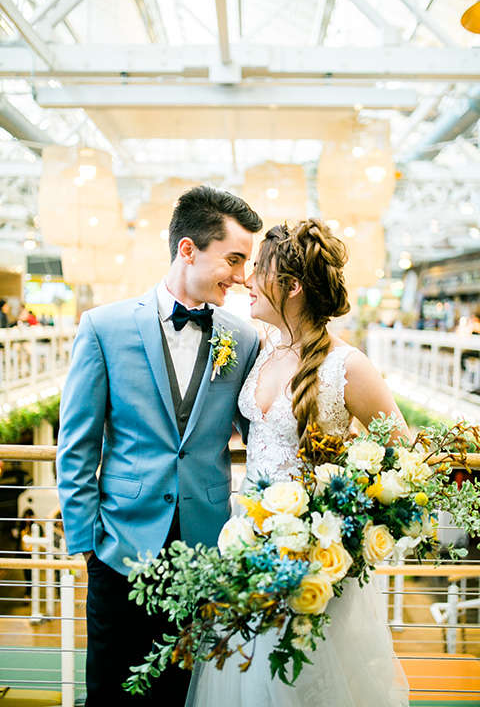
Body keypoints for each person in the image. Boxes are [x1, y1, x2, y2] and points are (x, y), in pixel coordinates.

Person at [187, 218, 410, 707]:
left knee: (299, 681)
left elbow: (405, 459)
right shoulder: (260, 349)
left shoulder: (348, 366)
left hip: (310, 558)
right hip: (246, 538)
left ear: (291, 287)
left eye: (258, 270)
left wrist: (338, 524)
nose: (244, 280)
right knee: (244, 674)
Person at [56, 185, 263, 707]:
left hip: (208, 547)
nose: (241, 277)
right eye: (234, 259)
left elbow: (261, 433)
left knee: (191, 690)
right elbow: (76, 445)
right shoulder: (103, 328)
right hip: (120, 548)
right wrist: (86, 545)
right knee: (111, 689)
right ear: (188, 249)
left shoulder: (244, 338)